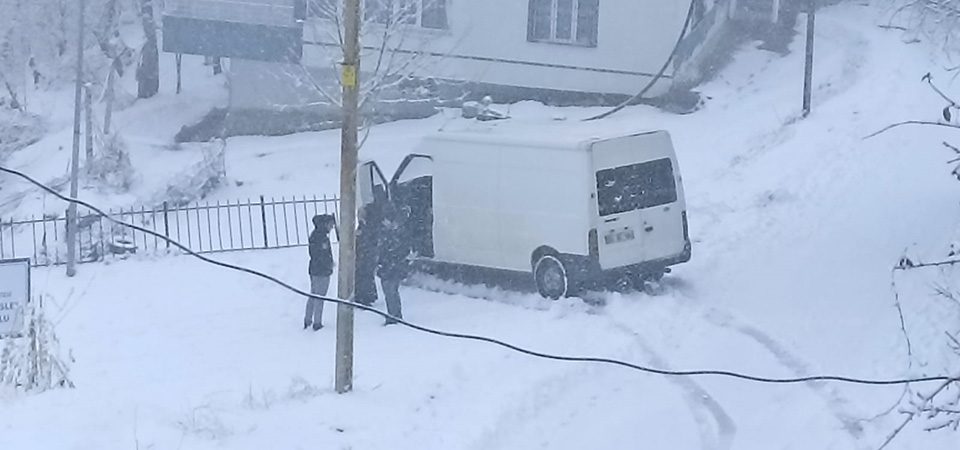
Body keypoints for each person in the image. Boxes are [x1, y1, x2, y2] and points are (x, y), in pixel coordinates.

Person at [376, 207, 411, 325]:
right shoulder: (388, 233)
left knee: (391, 292)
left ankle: (394, 315)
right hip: (389, 267)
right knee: (390, 292)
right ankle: (394, 314)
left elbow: (400, 250)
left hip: (392, 267)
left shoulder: (396, 234)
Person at [305, 214, 336, 331]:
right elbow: (322, 255)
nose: (332, 227)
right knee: (319, 297)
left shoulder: (315, 235)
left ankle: (308, 319)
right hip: (321, 271)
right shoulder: (322, 238)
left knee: (313, 295)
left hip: (314, 269)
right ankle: (317, 322)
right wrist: (329, 264)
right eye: (330, 224)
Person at [355, 203, 381, 307]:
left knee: (365, 276)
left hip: (366, 255)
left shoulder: (368, 226)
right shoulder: (365, 225)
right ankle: (365, 296)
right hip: (365, 255)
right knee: (365, 276)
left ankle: (365, 297)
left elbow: (367, 239)